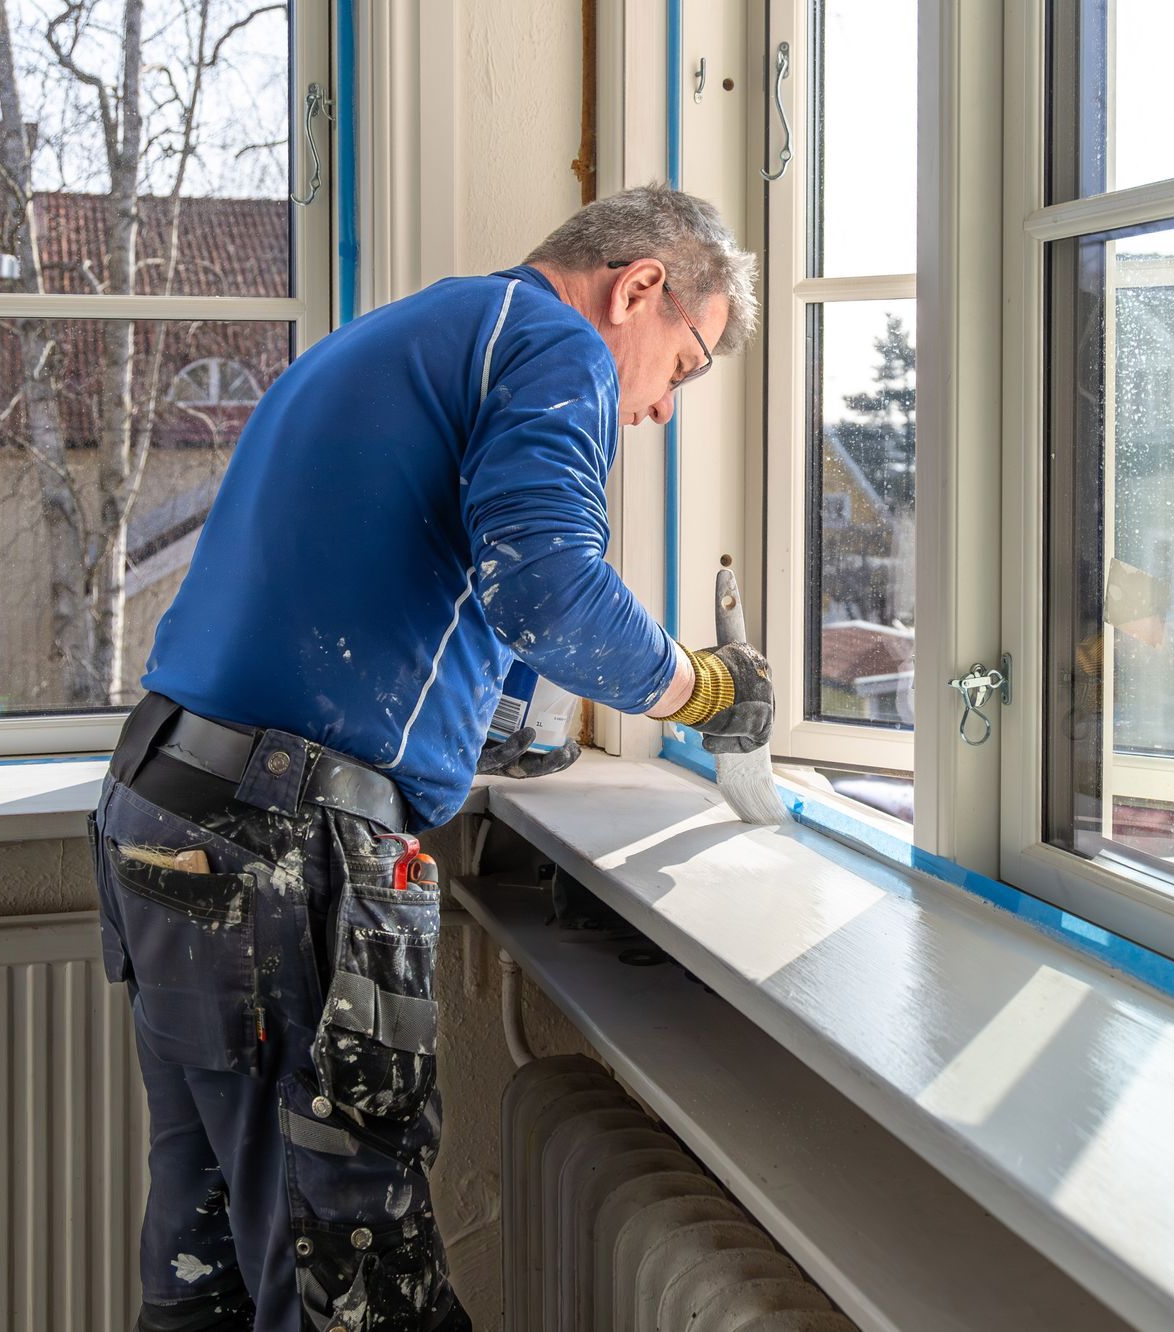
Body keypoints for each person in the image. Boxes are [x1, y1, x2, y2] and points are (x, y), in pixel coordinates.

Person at [89, 185, 771, 1332]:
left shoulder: (413, 332)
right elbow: (546, 584)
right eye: (683, 368)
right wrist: (704, 689)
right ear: (640, 287)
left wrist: (502, 721)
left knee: (212, 1260)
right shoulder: (558, 345)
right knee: (352, 1283)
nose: (657, 410)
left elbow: (434, 593)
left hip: (168, 803)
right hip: (281, 839)